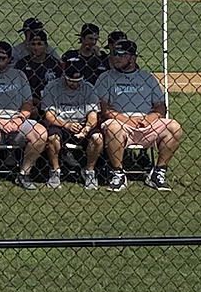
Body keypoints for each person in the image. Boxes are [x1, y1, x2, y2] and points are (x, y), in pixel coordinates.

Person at [95, 40, 183, 192]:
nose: (116, 57)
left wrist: (150, 118)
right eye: (114, 54)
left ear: (133, 58)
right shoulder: (106, 77)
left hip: (147, 122)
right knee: (113, 127)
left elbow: (160, 106)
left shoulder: (147, 78)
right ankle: (118, 174)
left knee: (174, 127)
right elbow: (103, 108)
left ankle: (158, 172)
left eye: (121, 54)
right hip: (120, 123)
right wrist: (126, 119)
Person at [0, 41, 48, 190]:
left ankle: (24, 173)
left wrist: (19, 119)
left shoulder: (19, 75)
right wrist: (1, 122)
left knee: (41, 133)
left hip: (16, 118)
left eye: (1, 58)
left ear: (10, 59)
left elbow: (28, 103)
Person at [41, 62, 102, 189]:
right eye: (71, 81)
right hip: (60, 124)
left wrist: (87, 128)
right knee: (52, 138)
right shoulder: (52, 88)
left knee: (98, 138)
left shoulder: (88, 88)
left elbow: (92, 115)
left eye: (78, 81)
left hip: (82, 123)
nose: (75, 84)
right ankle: (55, 171)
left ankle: (89, 171)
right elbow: (49, 116)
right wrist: (66, 125)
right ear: (64, 76)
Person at [14, 30, 62, 102]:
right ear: (28, 46)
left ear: (46, 46)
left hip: (52, 100)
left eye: (39, 44)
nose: (36, 48)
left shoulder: (54, 63)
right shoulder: (21, 65)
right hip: (28, 101)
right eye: (33, 44)